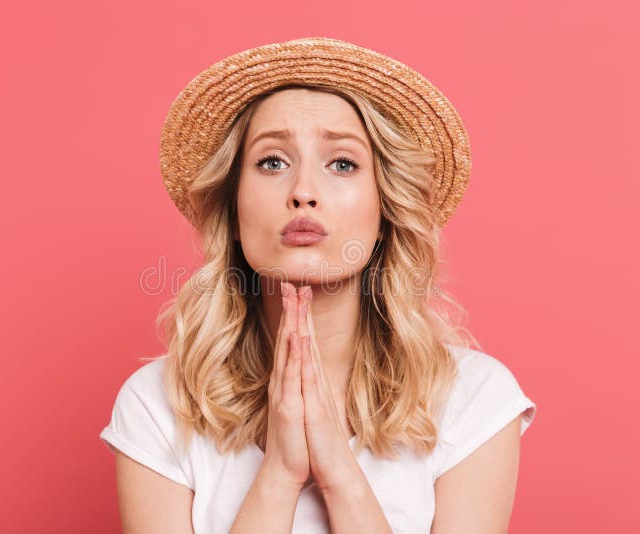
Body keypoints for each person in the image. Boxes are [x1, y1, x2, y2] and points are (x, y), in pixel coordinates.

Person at [100, 37, 536, 533]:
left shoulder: (473, 399)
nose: (303, 193)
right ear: (235, 212)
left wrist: (340, 476)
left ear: (384, 209)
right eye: (272, 162)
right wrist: (279, 476)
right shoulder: (157, 405)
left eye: (342, 164)